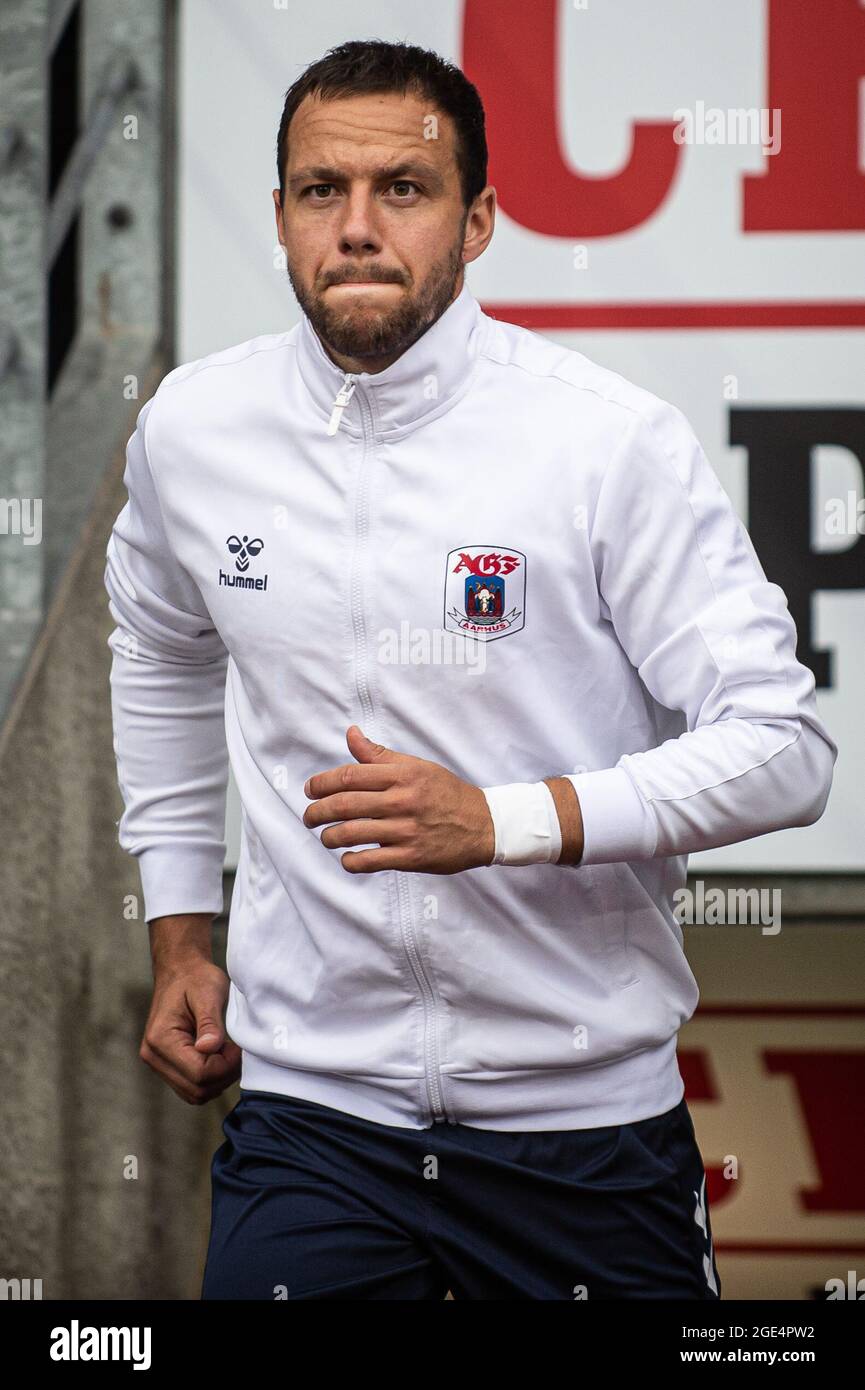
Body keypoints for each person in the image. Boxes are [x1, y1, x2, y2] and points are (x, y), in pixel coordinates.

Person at [104, 38, 836, 1300]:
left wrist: (498, 821)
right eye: (320, 191)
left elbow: (784, 747)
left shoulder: (603, 444)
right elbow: (163, 655)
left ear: (479, 220)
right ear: (278, 214)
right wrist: (181, 932)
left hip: (583, 1130)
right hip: (312, 1115)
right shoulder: (193, 429)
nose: (357, 227)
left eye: (404, 188)